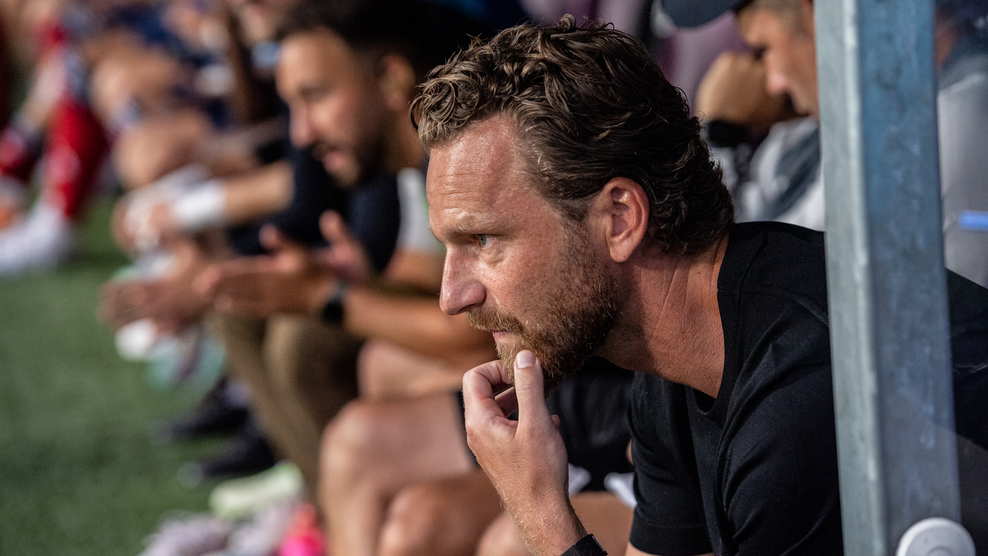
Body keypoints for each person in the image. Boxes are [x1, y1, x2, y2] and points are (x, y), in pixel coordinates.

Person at [413, 17, 988, 556]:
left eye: (483, 240)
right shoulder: (672, 371)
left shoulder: (802, 400)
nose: (452, 296)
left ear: (619, 219)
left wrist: (540, 510)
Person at [674, 0, 988, 288]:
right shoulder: (804, 135)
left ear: (820, 13)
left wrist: (721, 137)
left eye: (764, 48)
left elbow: (746, 283)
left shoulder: (948, 124)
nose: (773, 83)